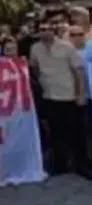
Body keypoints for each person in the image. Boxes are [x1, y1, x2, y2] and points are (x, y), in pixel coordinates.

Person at [29, 22, 89, 178]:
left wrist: (81, 94)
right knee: (56, 133)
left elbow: (78, 71)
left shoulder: (66, 47)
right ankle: (60, 166)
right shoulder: (35, 49)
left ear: (54, 31)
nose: (46, 32)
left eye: (49, 29)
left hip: (69, 96)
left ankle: (82, 165)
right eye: (42, 29)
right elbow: (35, 68)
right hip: (49, 96)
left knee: (77, 133)